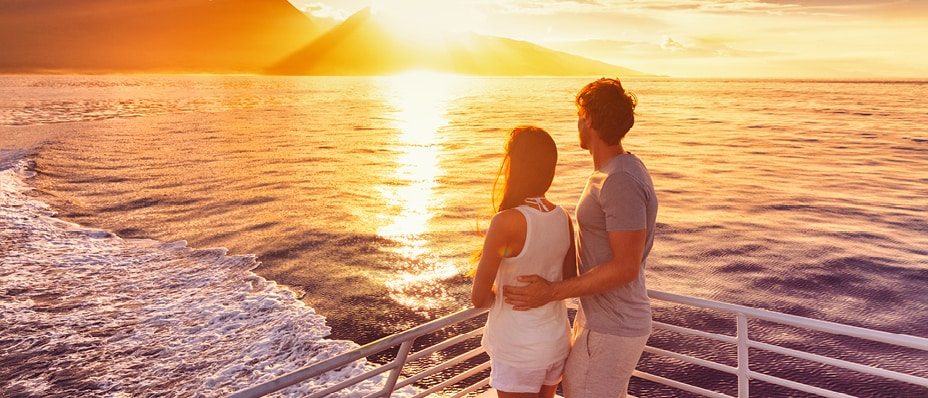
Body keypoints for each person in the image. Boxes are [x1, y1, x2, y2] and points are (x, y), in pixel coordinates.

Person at [503, 77, 658, 398]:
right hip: (601, 320)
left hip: (611, 326)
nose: (577, 123)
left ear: (588, 119)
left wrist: (551, 291)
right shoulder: (619, 170)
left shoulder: (619, 180)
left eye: (578, 115)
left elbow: (626, 266)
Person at [470, 125, 578, 398]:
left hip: (520, 350)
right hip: (555, 343)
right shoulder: (563, 217)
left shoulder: (505, 222)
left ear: (515, 166)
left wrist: (498, 293)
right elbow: (568, 281)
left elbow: (478, 297)